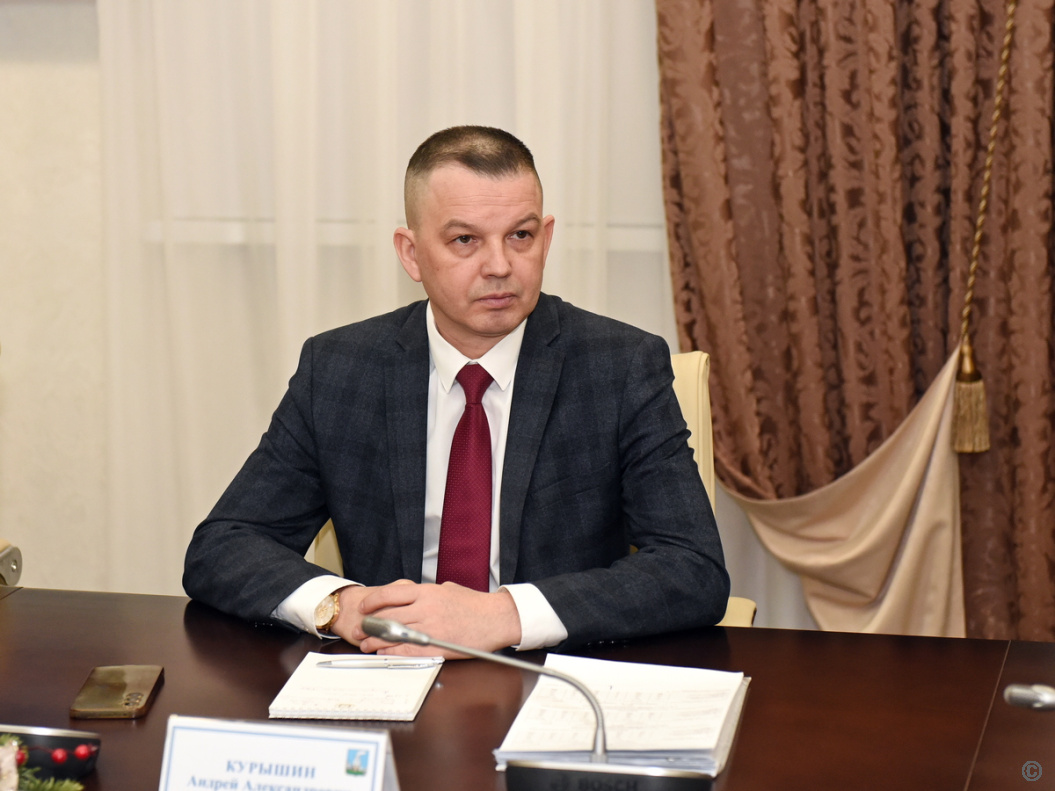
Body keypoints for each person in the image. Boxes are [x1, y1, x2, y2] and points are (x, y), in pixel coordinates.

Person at [183, 125, 729, 658]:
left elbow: (692, 568)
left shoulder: (620, 367)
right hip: (388, 666)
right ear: (411, 254)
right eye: (465, 240)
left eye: (520, 236)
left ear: (546, 238)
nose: (500, 266)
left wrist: (501, 616)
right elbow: (224, 545)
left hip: (548, 674)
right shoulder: (340, 369)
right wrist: (343, 606)